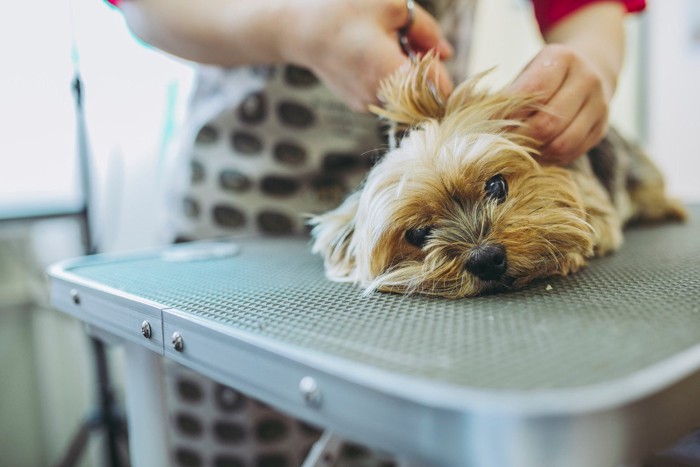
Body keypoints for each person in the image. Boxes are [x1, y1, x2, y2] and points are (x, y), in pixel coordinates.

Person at [102, 1, 645, 465]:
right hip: (247, 206)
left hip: (441, 166)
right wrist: (297, 24)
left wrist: (589, 66)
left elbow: (584, 12)